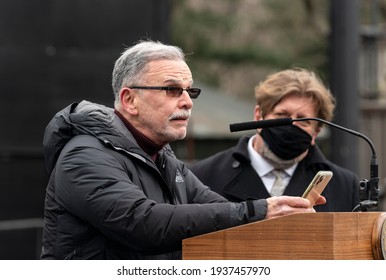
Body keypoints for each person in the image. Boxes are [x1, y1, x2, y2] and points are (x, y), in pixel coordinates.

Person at [40, 40, 324, 260]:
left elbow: (219, 208)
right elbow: (144, 224)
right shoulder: (83, 155)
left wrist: (284, 214)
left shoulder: (164, 160)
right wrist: (261, 210)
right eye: (172, 90)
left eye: (190, 91)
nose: (188, 102)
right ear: (129, 100)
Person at [190, 68, 359, 212]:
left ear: (316, 132)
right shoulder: (202, 177)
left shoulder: (344, 186)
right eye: (281, 116)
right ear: (258, 116)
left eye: (303, 121)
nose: (291, 126)